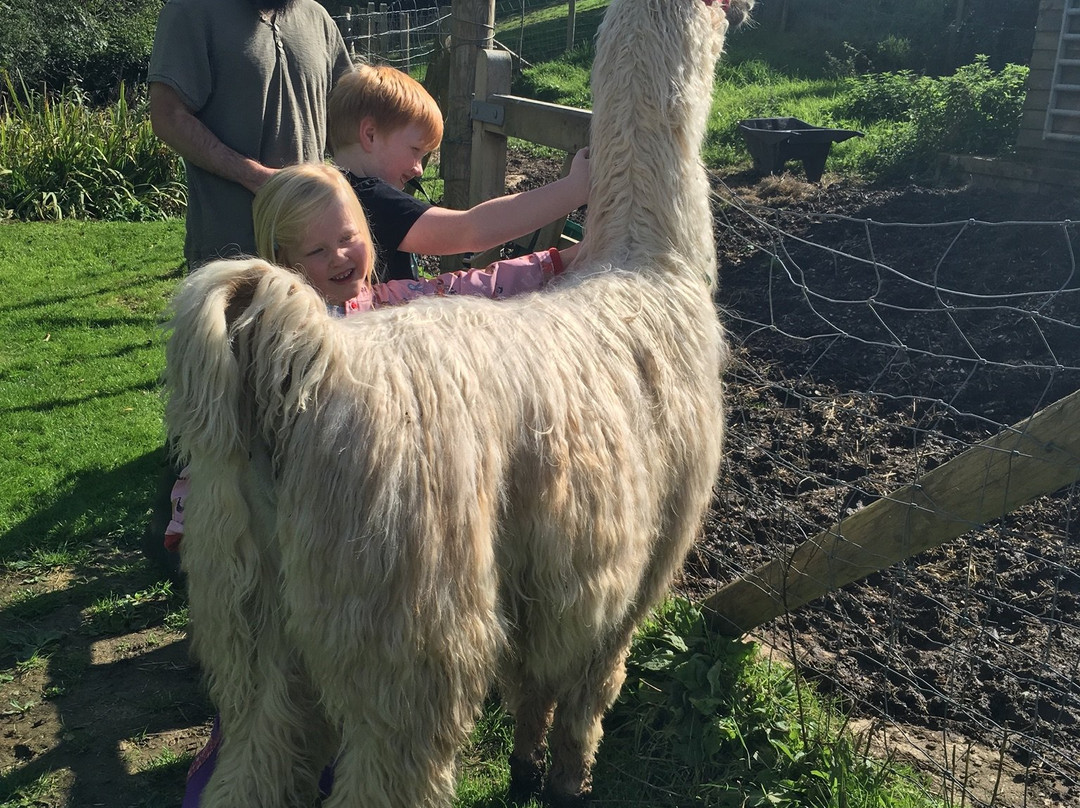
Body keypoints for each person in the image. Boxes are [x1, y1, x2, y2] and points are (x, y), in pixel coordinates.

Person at [170, 160, 577, 805]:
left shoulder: (392, 305)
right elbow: (226, 458)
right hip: (290, 554)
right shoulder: (263, 356)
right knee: (274, 706)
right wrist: (186, 516)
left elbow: (475, 285)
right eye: (316, 248)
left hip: (356, 556)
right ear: (279, 263)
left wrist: (554, 264)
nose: (339, 257)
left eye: (348, 237)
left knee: (338, 711)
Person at [325, 62, 590, 282]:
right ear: (370, 135)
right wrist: (574, 189)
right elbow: (471, 230)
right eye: (415, 149)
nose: (418, 169)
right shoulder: (371, 200)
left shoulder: (326, 191)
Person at [147, 0, 354, 270]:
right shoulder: (191, 11)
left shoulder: (317, 17)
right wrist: (254, 176)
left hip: (316, 250)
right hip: (232, 253)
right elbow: (168, 117)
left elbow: (348, 118)